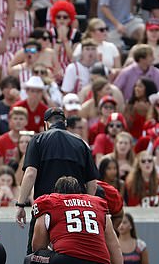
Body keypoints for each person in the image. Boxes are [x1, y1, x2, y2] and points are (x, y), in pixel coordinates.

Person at [16, 108, 99, 253]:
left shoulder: (37, 140)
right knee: (72, 255)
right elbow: (92, 183)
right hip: (73, 211)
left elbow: (30, 173)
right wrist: (86, 206)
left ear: (46, 124)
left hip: (45, 209)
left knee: (36, 257)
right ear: (65, 123)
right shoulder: (81, 144)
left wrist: (21, 204)